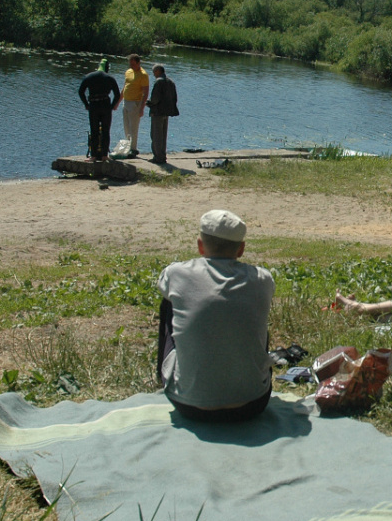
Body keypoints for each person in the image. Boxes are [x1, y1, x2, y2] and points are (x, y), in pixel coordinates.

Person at [157, 210, 275, 422]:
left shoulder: (177, 274)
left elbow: (164, 285)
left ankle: (168, 375)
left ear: (200, 246)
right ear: (241, 249)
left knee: (169, 303)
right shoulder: (263, 279)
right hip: (253, 403)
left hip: (190, 405)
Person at [77, 58, 120, 161]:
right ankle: (105, 155)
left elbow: (81, 91)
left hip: (93, 105)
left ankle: (93, 156)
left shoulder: (89, 77)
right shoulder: (110, 78)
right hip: (105, 105)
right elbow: (117, 95)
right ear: (107, 68)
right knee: (106, 131)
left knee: (94, 130)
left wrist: (86, 104)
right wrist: (112, 106)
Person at [115, 54, 149, 158]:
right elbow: (124, 87)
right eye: (130, 64)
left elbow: (146, 92)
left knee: (133, 127)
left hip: (135, 103)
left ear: (138, 63)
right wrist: (118, 102)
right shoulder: (128, 72)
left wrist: (142, 108)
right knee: (126, 126)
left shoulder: (143, 75)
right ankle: (127, 146)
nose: (131, 66)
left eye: (133, 64)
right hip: (126, 101)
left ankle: (133, 149)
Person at [145, 64, 179, 165]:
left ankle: (158, 157)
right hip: (167, 112)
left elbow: (155, 99)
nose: (154, 74)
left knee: (156, 135)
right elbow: (174, 98)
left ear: (158, 71)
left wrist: (148, 103)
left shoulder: (158, 82)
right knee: (163, 135)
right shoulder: (171, 82)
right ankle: (162, 155)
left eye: (154, 72)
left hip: (157, 112)